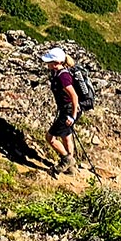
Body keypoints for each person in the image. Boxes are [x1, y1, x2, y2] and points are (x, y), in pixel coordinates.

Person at [41, 46, 80, 174]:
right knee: (66, 137)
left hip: (68, 111)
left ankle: (66, 160)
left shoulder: (63, 77)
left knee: (50, 138)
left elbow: (74, 96)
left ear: (56, 63)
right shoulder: (60, 72)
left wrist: (72, 116)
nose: (46, 63)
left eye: (49, 62)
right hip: (68, 110)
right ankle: (71, 170)